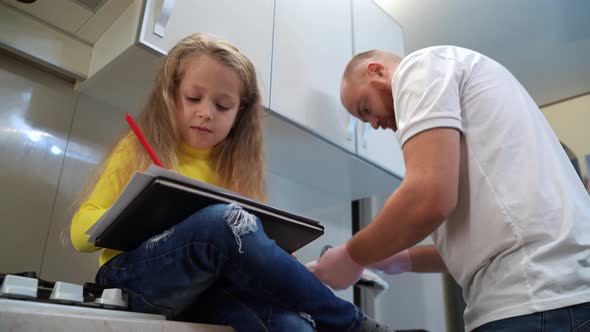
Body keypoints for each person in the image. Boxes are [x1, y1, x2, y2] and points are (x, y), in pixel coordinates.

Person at [70, 33, 393, 332]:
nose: (206, 113)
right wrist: (138, 211)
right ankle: (353, 324)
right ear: (171, 95)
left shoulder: (235, 168)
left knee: (293, 326)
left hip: (203, 291)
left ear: (240, 113)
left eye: (222, 106)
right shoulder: (138, 148)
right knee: (224, 220)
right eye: (193, 98)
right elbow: (79, 234)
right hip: (130, 279)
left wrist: (273, 257)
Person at [308, 46, 590, 331]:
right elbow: (483, 240)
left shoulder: (419, 67)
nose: (375, 124)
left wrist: (351, 256)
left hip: (536, 298)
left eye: (366, 109)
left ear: (377, 70)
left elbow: (428, 197)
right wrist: (400, 259)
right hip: (558, 293)